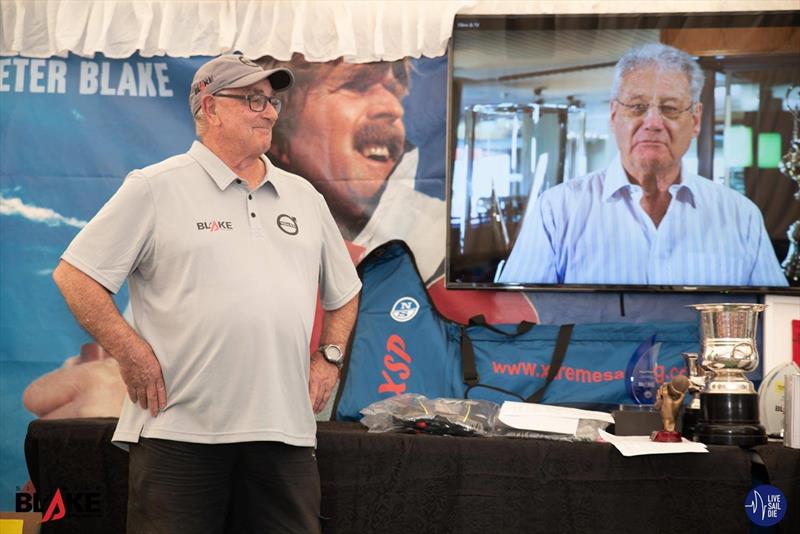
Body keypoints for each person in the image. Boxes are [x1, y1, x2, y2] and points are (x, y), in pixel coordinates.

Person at [52, 54, 361, 533]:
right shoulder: (156, 187)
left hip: (285, 434)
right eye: (253, 99)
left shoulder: (305, 197)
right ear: (210, 107)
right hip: (178, 432)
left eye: (273, 100)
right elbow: (75, 276)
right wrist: (130, 353)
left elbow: (345, 291)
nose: (269, 112)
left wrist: (331, 357)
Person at [261, 54, 538, 323]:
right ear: (279, 126)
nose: (393, 109)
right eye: (356, 86)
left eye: (396, 91)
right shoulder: (237, 224)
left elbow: (506, 338)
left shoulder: (446, 245)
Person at [499, 43, 788, 287]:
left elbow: (775, 325)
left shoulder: (742, 217)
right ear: (614, 115)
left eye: (670, 108)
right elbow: (517, 320)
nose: (652, 123)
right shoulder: (557, 211)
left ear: (696, 120)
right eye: (637, 107)